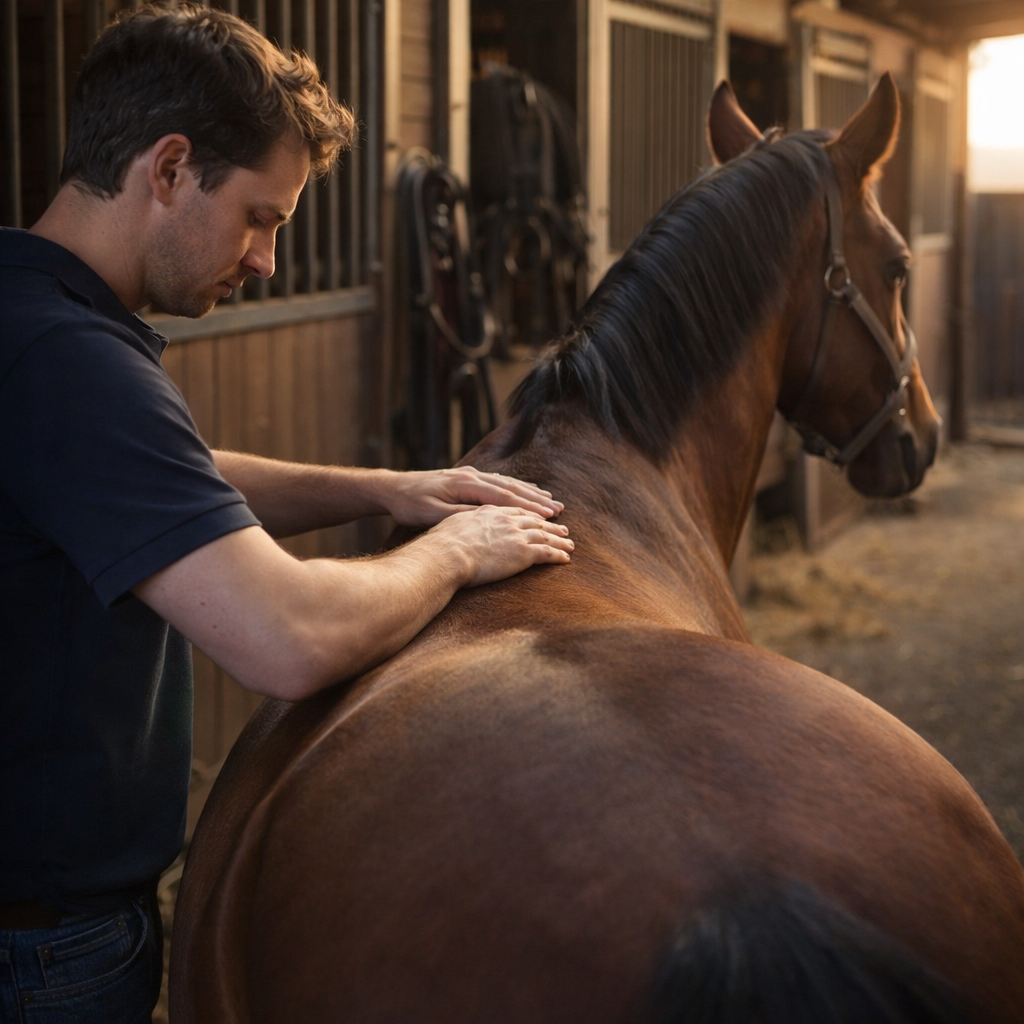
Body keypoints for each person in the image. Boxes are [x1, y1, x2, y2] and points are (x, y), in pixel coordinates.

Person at [0, 4, 573, 1020]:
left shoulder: (27, 315)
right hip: (48, 953)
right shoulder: (73, 365)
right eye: (261, 216)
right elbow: (288, 638)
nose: (265, 259)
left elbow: (158, 478)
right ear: (169, 168)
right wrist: (454, 550)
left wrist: (384, 490)